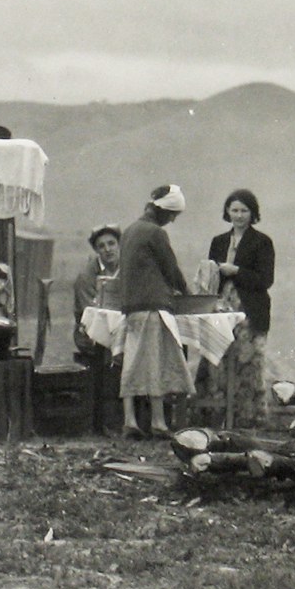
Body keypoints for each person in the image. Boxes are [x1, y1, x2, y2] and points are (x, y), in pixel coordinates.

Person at [118, 184, 192, 438]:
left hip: (131, 307)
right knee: (154, 362)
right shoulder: (155, 233)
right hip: (152, 306)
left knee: (133, 361)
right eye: (173, 215)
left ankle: (130, 419)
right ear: (163, 211)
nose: (172, 220)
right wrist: (187, 292)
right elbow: (170, 268)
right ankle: (159, 422)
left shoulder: (129, 231)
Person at [201, 188, 275, 428]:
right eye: (235, 210)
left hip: (250, 310)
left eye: (244, 210)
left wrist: (237, 272)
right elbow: (211, 275)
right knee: (219, 360)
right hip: (221, 307)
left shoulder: (262, 242)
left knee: (250, 363)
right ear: (227, 212)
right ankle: (220, 414)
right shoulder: (218, 241)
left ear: (253, 213)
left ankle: (251, 417)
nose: (239, 215)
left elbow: (266, 280)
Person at [72, 223, 122, 360]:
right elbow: (88, 313)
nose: (108, 249)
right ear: (96, 250)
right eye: (101, 246)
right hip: (91, 335)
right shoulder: (86, 277)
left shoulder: (128, 270)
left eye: (111, 244)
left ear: (119, 245)